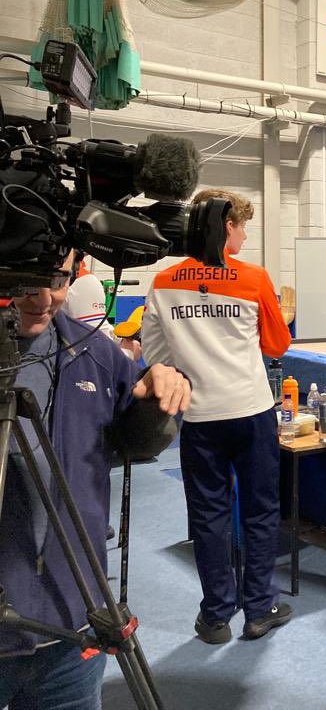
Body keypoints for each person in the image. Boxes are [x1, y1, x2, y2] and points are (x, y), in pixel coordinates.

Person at [0, 252, 189, 709]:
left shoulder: (92, 350)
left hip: (74, 623)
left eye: (57, 277)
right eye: (29, 279)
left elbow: (139, 437)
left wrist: (159, 390)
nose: (44, 298)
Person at [142, 188, 293, 644]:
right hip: (250, 411)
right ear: (225, 226)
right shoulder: (254, 279)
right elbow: (277, 346)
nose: (245, 236)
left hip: (200, 418)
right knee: (260, 511)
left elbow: (155, 352)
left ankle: (215, 615)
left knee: (208, 516)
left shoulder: (164, 282)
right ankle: (260, 607)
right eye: (243, 226)